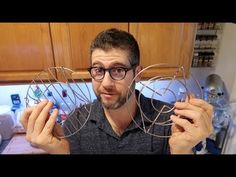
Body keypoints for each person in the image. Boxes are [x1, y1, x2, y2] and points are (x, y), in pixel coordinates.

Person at [20, 28, 213, 154]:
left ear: (137, 74)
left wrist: (182, 151)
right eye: (98, 70)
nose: (106, 83)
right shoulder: (75, 122)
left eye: (118, 70)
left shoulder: (168, 121)